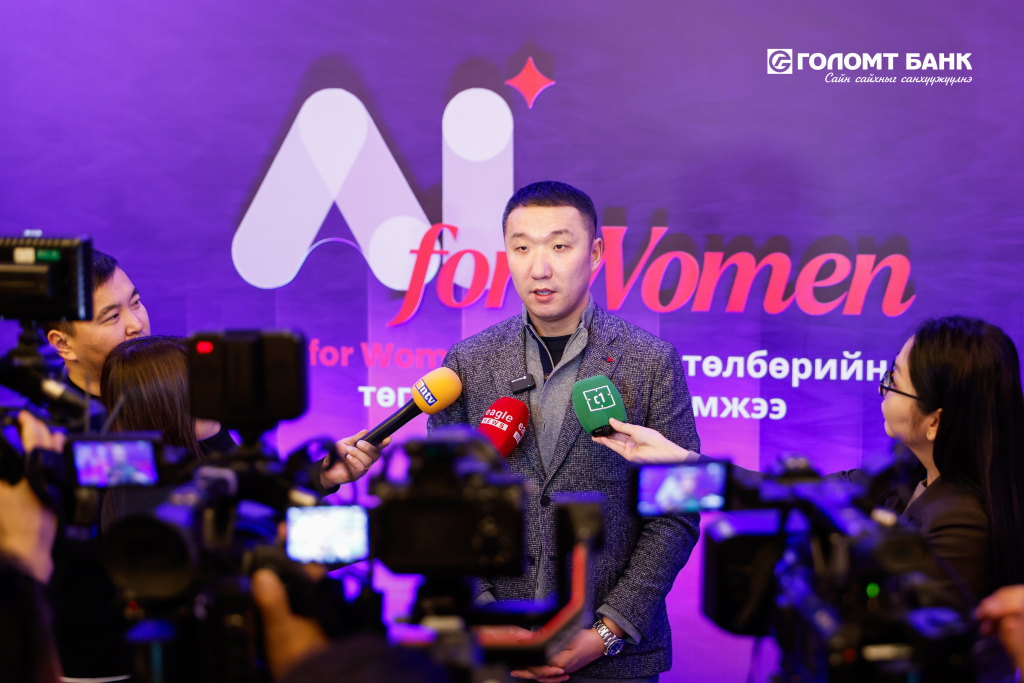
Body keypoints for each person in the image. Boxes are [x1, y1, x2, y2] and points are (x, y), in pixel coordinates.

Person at [427, 181, 701, 683]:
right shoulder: (468, 362)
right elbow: (442, 504)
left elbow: (678, 513)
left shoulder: (651, 362)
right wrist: (484, 614)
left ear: (594, 253)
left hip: (613, 662)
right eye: (521, 247)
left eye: (559, 245)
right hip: (489, 656)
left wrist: (606, 631)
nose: (539, 268)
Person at [596, 316, 1024, 607]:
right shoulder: (901, 472)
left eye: (894, 380)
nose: (883, 387)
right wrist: (677, 460)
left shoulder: (963, 525)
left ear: (935, 421)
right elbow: (790, 496)